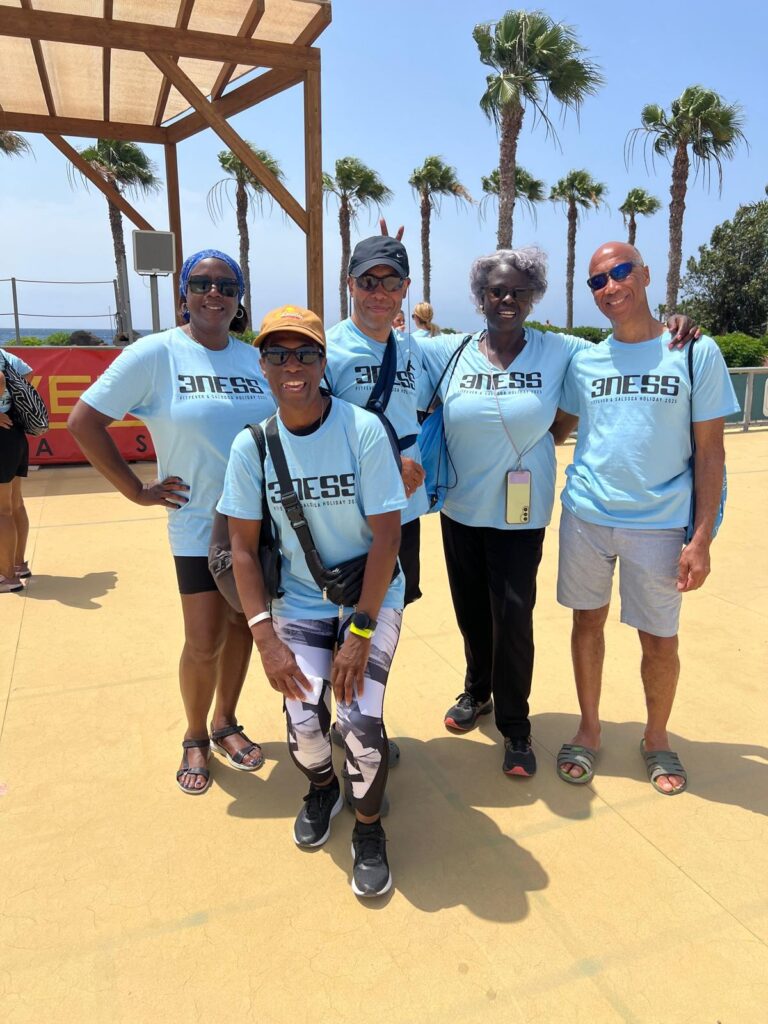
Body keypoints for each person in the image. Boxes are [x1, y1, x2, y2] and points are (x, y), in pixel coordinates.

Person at [419, 247, 698, 778]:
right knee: (471, 613)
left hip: (521, 515)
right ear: (480, 298)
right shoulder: (451, 351)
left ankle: (516, 727)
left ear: (533, 298)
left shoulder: (561, 349)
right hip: (460, 508)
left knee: (513, 618)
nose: (507, 299)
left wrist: (674, 323)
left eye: (519, 291)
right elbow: (393, 350)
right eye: (496, 291)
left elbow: (627, 343)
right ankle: (477, 690)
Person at [67, 249, 275, 794]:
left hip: (257, 524)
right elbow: (83, 420)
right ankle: (195, 734)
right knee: (204, 639)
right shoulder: (156, 353)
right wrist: (136, 490)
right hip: (196, 525)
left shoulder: (255, 358)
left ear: (239, 298)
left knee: (243, 627)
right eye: (201, 284)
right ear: (184, 294)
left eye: (226, 285)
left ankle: (226, 722)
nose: (214, 294)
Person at [218, 305, 406, 898]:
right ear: (262, 364)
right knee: (303, 722)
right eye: (277, 354)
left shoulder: (362, 430)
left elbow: (388, 538)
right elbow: (241, 549)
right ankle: (323, 789)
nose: (291, 365)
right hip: (298, 602)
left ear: (323, 362)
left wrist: (360, 632)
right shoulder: (252, 446)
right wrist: (264, 638)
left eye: (304, 353)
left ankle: (369, 828)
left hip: (369, 597)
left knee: (359, 723)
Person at [555, 242, 739, 794]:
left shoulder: (694, 351)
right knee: (586, 623)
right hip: (586, 516)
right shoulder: (584, 360)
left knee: (659, 640)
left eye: (620, 272)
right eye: (598, 281)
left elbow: (711, 453)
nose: (611, 286)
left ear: (646, 274)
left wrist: (701, 538)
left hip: (660, 523)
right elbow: (555, 427)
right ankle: (589, 729)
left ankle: (656, 738)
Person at [325, 236, 430, 606]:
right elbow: (312, 431)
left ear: (405, 288)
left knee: (394, 612)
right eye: (369, 281)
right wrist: (389, 466)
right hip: (349, 514)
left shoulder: (412, 348)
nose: (380, 293)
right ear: (350, 284)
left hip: (405, 509)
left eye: (391, 282)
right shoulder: (328, 349)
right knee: (348, 613)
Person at [0, 350, 34, 593]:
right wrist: (8, 401)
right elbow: (28, 373)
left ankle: (7, 577)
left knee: (2, 511)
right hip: (14, 432)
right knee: (15, 504)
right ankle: (18, 565)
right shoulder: (4, 355)